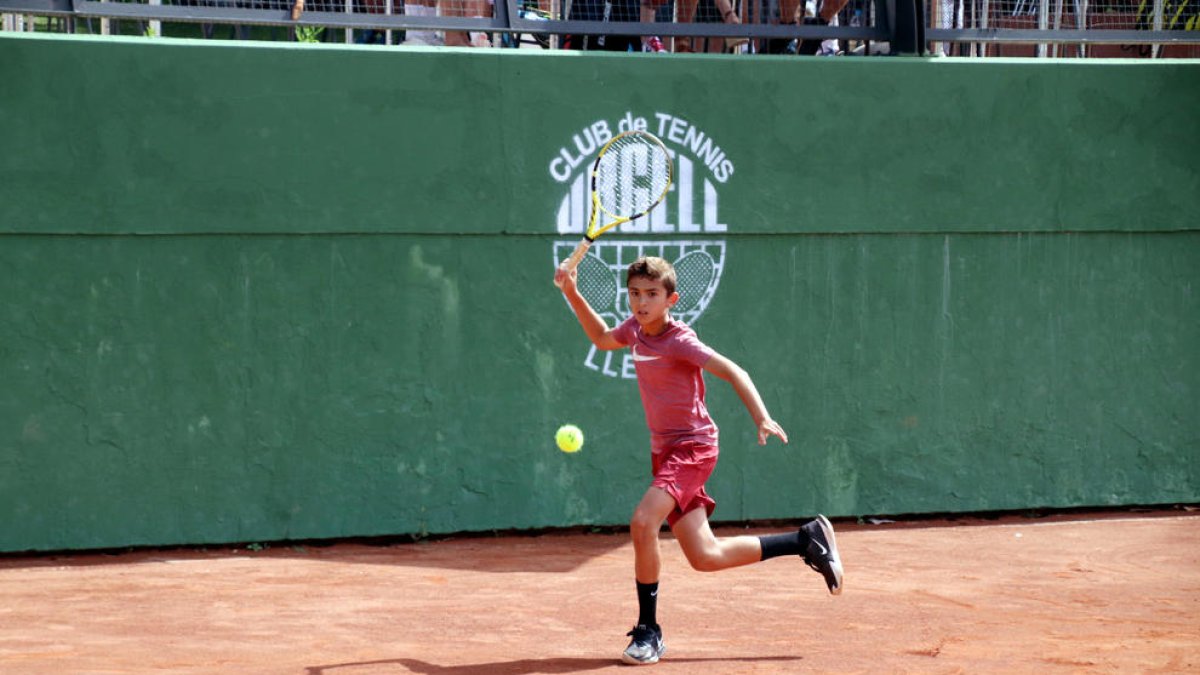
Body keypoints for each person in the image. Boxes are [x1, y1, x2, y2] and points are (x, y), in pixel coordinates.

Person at [553, 255, 844, 666]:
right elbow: (601, 338)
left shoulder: (679, 340)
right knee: (705, 556)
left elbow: (733, 370)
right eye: (635, 294)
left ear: (671, 299)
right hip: (666, 453)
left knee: (642, 522)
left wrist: (761, 416)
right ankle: (805, 540)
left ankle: (648, 631)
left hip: (693, 447)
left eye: (652, 294)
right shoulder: (635, 331)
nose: (642, 302)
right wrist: (572, 291)